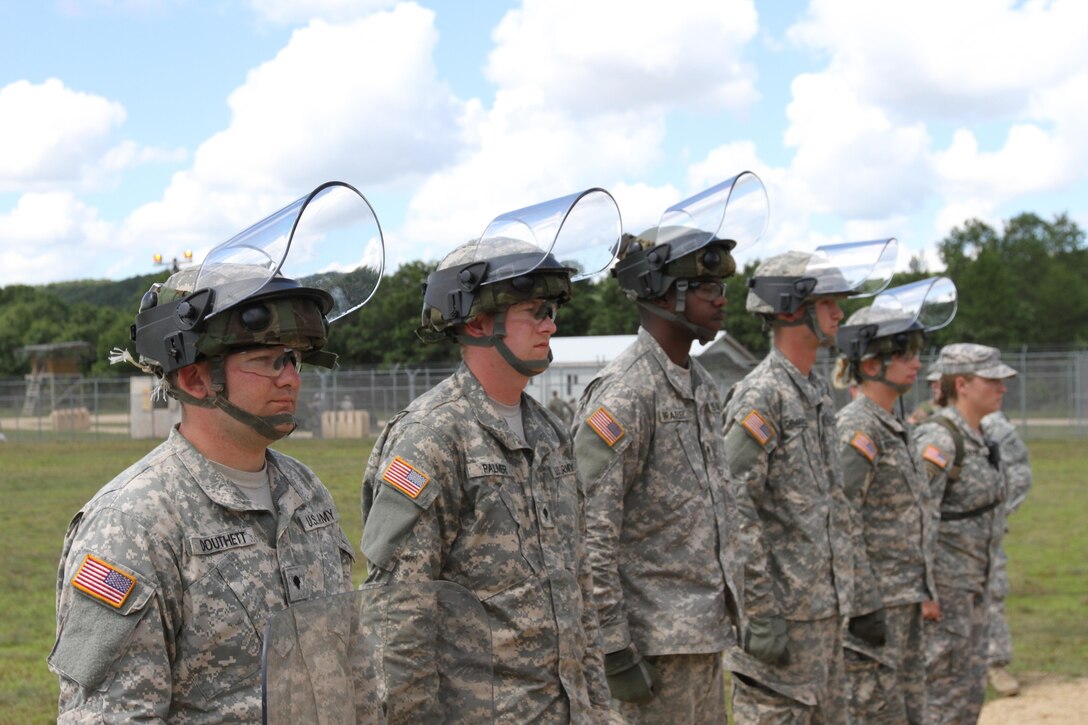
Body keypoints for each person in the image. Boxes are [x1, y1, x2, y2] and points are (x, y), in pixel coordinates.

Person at [49, 269, 361, 720]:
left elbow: (350, 661)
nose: (291, 378)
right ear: (196, 380)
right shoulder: (132, 522)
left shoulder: (306, 492)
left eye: (293, 358)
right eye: (267, 360)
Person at [359, 197, 616, 723]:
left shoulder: (547, 432)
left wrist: (600, 708)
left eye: (553, 311)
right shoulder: (432, 437)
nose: (551, 325)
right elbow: (399, 619)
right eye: (536, 312)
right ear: (477, 324)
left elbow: (577, 588)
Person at [571, 219, 750, 722]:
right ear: (662, 293)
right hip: (650, 651)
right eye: (708, 288)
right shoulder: (626, 392)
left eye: (722, 288)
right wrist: (612, 648)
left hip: (701, 635)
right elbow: (589, 532)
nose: (721, 299)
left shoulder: (702, 385)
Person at [722, 243, 892, 724]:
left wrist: (859, 596)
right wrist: (758, 610)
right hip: (783, 623)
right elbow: (734, 502)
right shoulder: (762, 395)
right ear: (793, 309)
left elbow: (835, 504)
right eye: (827, 303)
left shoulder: (813, 391)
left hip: (821, 616)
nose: (840, 312)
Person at [832, 277, 955, 724]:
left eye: (916, 351)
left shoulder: (891, 427)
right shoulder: (858, 429)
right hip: (874, 610)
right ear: (868, 363)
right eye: (902, 353)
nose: (916, 363)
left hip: (902, 602)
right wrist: (865, 603)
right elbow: (841, 519)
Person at [913, 343, 1016, 724]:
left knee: (969, 697)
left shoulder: (982, 437)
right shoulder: (939, 440)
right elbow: (918, 516)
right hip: (945, 597)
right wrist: (925, 591)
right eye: (992, 380)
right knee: (939, 700)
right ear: (963, 384)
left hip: (975, 589)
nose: (1002, 388)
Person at [981, 409, 1033, 697]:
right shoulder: (931, 422)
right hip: (939, 535)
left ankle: (995, 663)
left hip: (984, 532)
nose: (935, 386)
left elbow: (1020, 474)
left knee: (992, 593)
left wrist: (996, 515)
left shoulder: (992, 424)